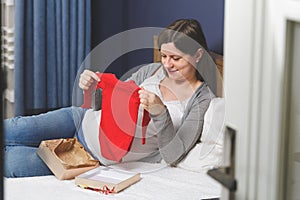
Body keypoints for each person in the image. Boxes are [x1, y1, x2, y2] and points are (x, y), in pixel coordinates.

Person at [4, 18, 217, 178]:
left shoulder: (201, 99)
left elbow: (173, 155)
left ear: (197, 55)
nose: (167, 64)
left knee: (12, 164)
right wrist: (95, 89)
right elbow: (108, 105)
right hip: (78, 120)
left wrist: (160, 112)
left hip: (91, 156)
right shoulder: (152, 71)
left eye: (176, 58)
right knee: (12, 128)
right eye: (164, 56)